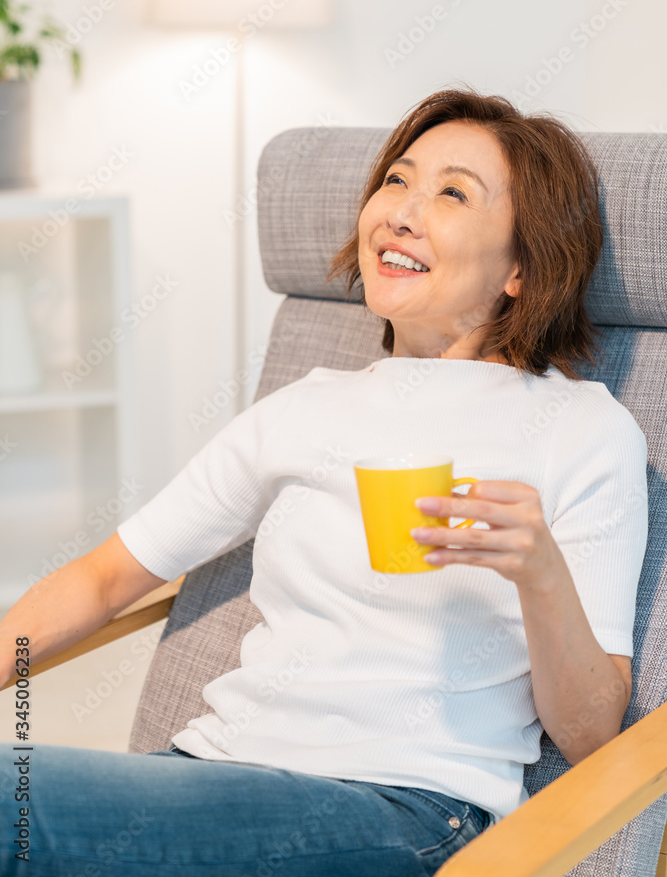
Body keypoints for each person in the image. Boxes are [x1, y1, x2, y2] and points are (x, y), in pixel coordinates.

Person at [0, 88, 648, 876]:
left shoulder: (582, 429)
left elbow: (591, 734)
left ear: (520, 267)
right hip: (205, 773)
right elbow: (104, 578)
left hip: (400, 808)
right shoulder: (302, 409)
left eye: (450, 193)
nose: (401, 212)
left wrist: (537, 571)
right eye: (397, 180)